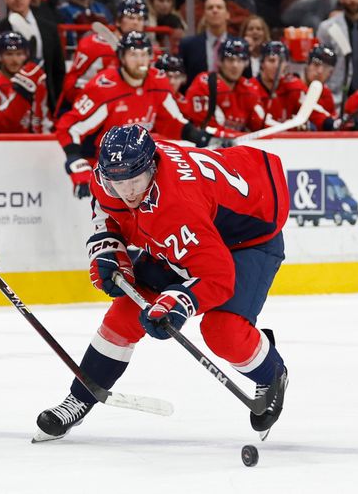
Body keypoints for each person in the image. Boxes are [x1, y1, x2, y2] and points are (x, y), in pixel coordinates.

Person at [34, 124, 290, 443]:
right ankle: (81, 397)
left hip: (248, 236)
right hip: (201, 221)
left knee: (223, 331)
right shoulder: (111, 176)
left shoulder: (177, 205)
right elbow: (105, 210)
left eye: (134, 181)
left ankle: (272, 372)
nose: (126, 191)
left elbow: (217, 276)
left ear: (152, 168)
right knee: (125, 313)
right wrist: (109, 247)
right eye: (118, 182)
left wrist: (177, 303)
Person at [56, 31, 214, 199]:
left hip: (142, 170)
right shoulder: (103, 87)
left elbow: (174, 123)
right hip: (109, 175)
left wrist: (203, 139)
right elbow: (69, 127)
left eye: (144, 54)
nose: (140, 61)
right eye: (133, 54)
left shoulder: (158, 82)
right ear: (122, 58)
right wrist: (78, 166)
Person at [0, 0, 65, 115]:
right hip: (10, 101)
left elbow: (58, 69)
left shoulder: (49, 27)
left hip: (46, 101)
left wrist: (56, 101)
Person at [59, 0, 147, 113]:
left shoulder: (147, 52)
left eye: (140, 19)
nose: (136, 22)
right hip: (91, 110)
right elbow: (71, 86)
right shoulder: (93, 45)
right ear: (118, 21)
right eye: (130, 18)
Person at [184, 38, 266, 134]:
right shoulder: (204, 84)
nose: (235, 65)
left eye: (240, 60)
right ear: (220, 61)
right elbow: (205, 129)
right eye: (230, 60)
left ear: (246, 63)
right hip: (206, 146)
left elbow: (261, 126)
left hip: (236, 144)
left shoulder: (249, 88)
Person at [0, 31, 48, 133]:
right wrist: (22, 89)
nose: (14, 60)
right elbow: (2, 124)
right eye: (9, 54)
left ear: (26, 55)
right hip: (0, 142)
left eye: (19, 54)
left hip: (31, 141)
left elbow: (41, 117)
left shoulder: (34, 78)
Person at [178, 0, 248, 95]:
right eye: (210, 8)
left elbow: (246, 80)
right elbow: (183, 82)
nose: (215, 10)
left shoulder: (241, 45)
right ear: (204, 15)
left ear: (227, 14)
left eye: (219, 7)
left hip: (232, 103)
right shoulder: (188, 45)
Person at [251, 41, 307, 125]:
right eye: (271, 60)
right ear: (262, 63)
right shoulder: (249, 89)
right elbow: (259, 124)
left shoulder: (294, 86)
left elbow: (313, 113)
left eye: (281, 61)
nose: (277, 66)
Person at [303, 44, 340, 130]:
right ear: (307, 64)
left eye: (326, 68)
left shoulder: (326, 94)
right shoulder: (294, 88)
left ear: (330, 73)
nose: (320, 71)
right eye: (316, 64)